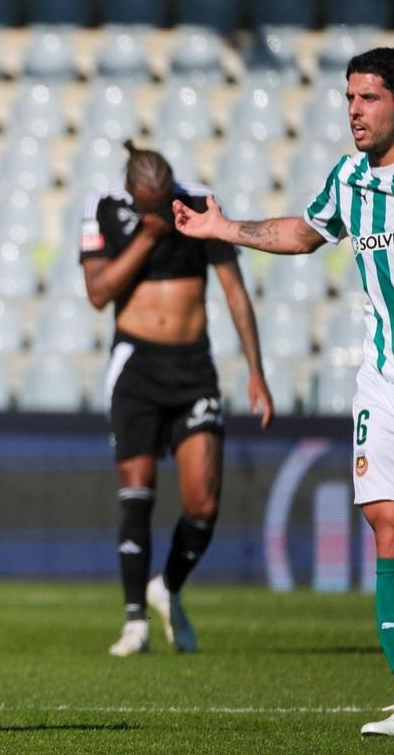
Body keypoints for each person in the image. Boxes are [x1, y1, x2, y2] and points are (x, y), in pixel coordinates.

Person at [175, 47, 394, 735]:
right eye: (349, 98)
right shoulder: (349, 179)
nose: (354, 111)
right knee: (383, 519)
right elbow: (303, 233)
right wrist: (222, 227)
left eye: (369, 98)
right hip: (383, 377)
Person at [80, 142, 273, 657]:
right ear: (132, 193)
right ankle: (134, 623)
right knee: (137, 492)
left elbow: (234, 291)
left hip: (193, 370)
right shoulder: (103, 208)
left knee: (204, 502)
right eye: (151, 203)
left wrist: (255, 371)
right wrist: (147, 237)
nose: (161, 209)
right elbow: (98, 293)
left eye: (164, 199)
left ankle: (168, 586)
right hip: (136, 369)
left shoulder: (200, 204)